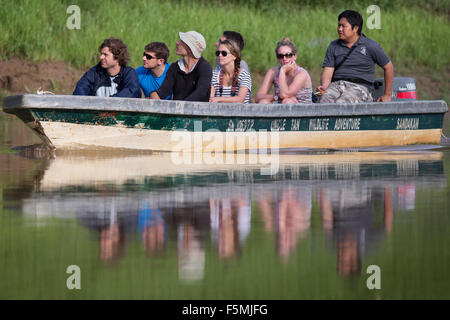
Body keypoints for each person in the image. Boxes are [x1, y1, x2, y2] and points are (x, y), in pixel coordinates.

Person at [317, 10, 394, 103]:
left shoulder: (370, 46)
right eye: (339, 25)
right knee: (324, 100)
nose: (340, 29)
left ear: (355, 28)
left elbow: (388, 67)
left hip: (360, 87)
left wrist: (387, 95)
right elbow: (328, 71)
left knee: (343, 102)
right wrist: (324, 87)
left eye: (343, 26)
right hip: (337, 85)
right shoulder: (333, 46)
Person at [150, 31, 212, 101]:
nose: (177, 43)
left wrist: (182, 106)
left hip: (198, 111)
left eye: (181, 41)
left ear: (190, 48)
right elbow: (163, 92)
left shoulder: (205, 67)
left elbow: (201, 92)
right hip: (178, 110)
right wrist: (154, 94)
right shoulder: (174, 67)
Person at [73, 38, 140, 98]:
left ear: (118, 57)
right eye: (101, 54)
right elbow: (80, 91)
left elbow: (132, 92)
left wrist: (108, 103)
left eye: (105, 55)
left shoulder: (129, 73)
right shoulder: (94, 72)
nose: (101, 57)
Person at [255, 37, 312, 104]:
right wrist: (276, 97)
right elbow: (258, 97)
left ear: (295, 56)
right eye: (280, 56)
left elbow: (285, 95)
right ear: (277, 58)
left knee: (287, 101)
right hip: (281, 109)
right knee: (263, 102)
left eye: (288, 55)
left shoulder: (301, 74)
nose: (284, 59)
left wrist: (282, 71)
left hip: (303, 111)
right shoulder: (273, 71)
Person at [210, 39, 252, 104]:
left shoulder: (244, 75)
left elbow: (240, 99)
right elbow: (211, 98)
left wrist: (218, 99)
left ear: (234, 56)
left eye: (224, 53)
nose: (219, 55)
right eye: (218, 53)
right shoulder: (215, 74)